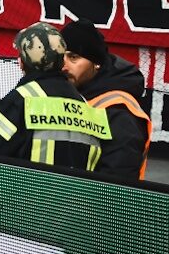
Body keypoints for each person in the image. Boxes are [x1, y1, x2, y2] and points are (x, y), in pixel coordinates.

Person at [0, 23, 108, 171]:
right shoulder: (85, 104)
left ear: (22, 62)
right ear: (62, 61)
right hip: (78, 194)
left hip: (29, 192)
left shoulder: (21, 99)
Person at [61, 20, 151, 180]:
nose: (64, 66)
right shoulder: (75, 91)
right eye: (61, 57)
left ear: (96, 63)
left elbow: (119, 177)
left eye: (73, 57)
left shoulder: (120, 111)